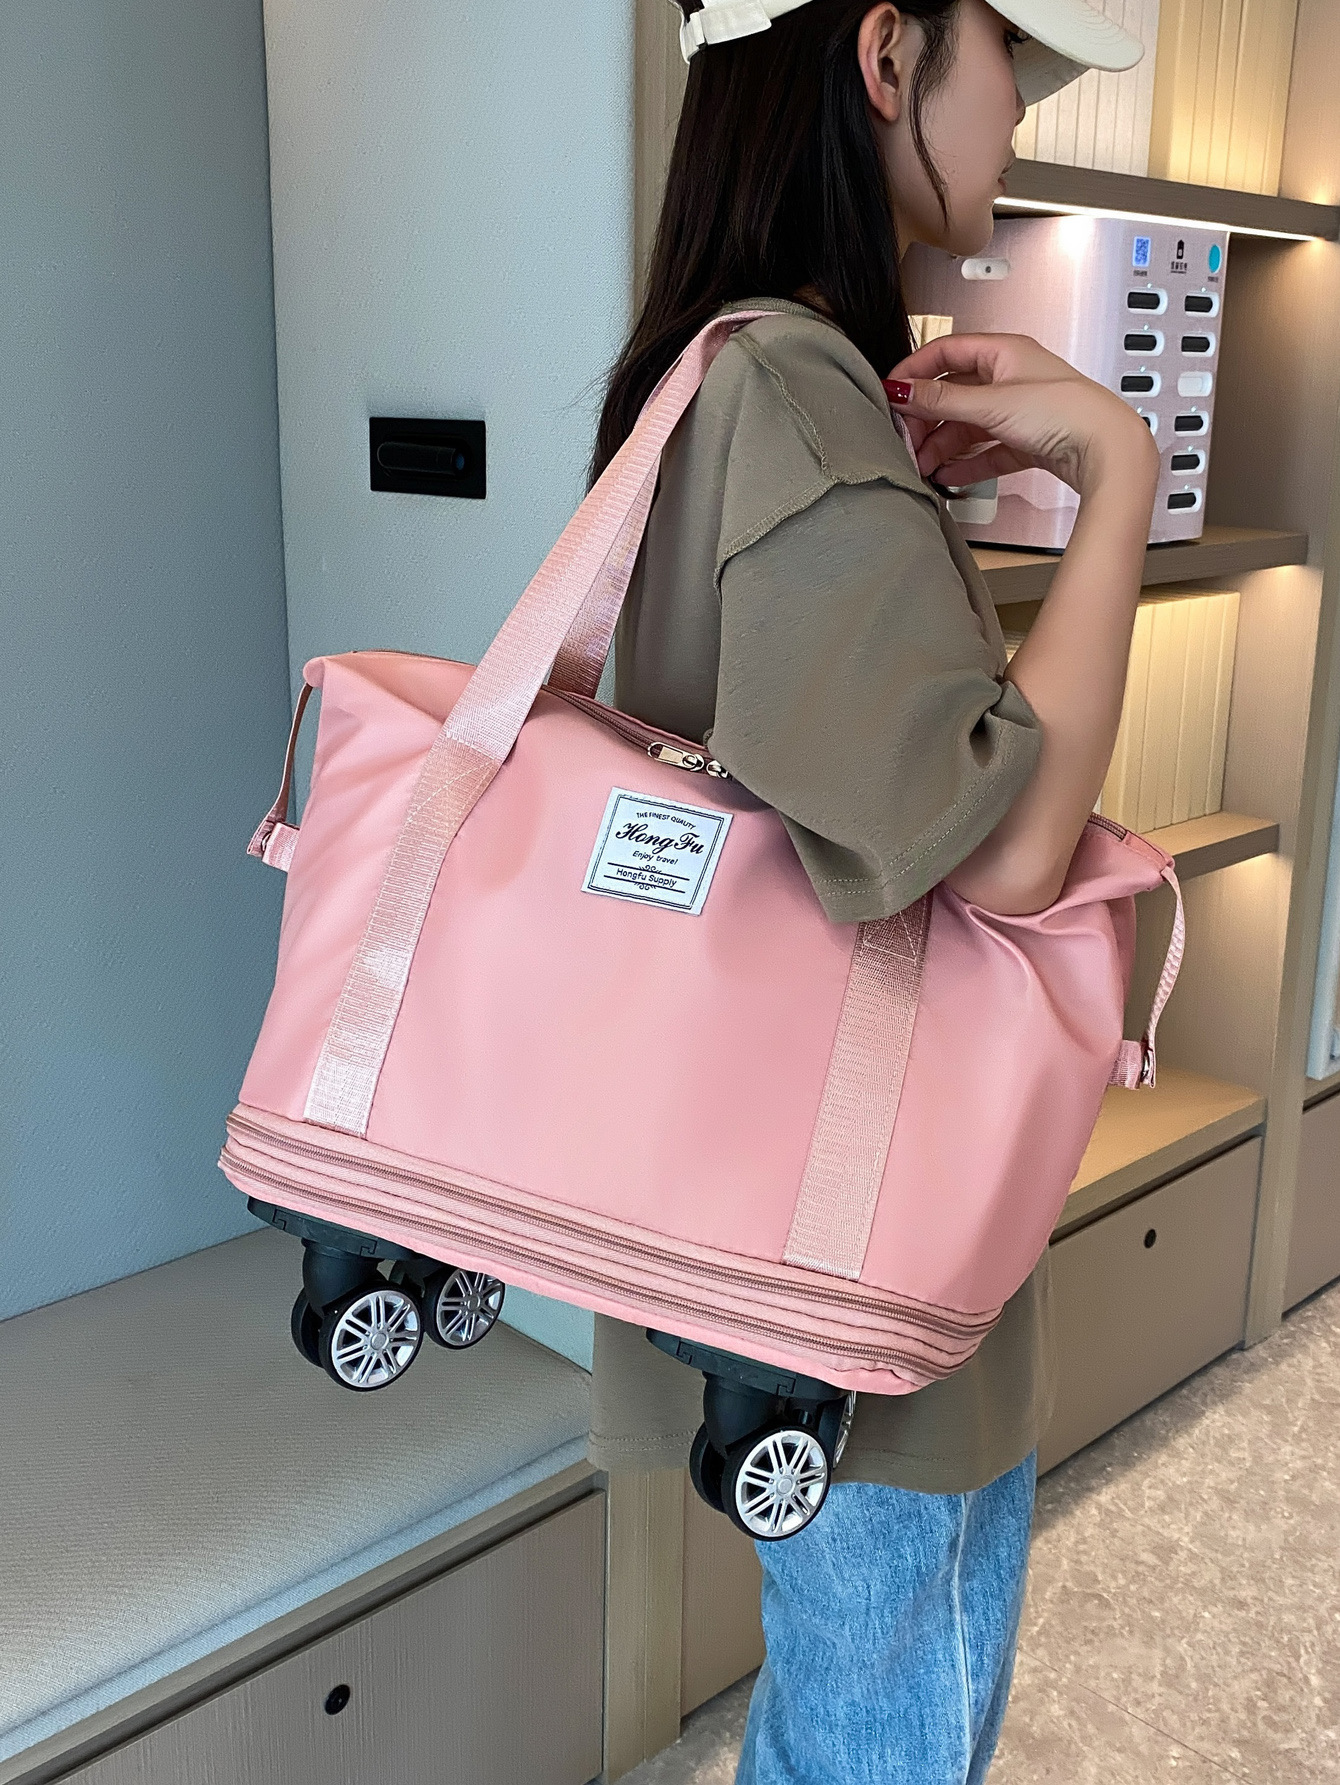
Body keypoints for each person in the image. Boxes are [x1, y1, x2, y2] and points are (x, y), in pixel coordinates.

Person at [587, 0, 1159, 1778]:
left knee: (849, 1698)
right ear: (889, 54)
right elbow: (1004, 846)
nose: (1024, 115)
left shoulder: (732, 367)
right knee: (887, 1726)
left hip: (765, 1188)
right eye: (1017, 62)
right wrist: (1116, 471)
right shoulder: (792, 385)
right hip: (851, 1237)